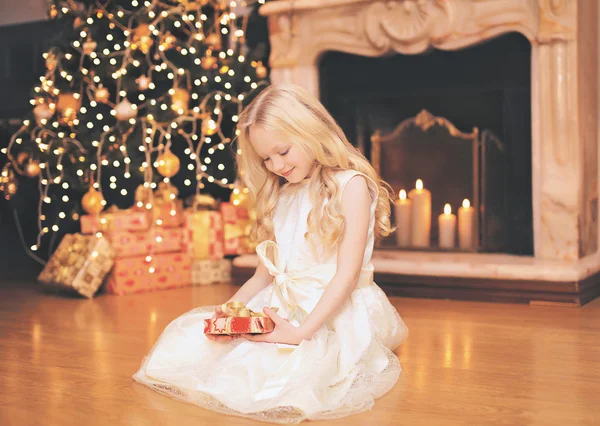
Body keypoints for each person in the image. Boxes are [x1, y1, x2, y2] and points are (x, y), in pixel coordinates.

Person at [133, 83, 408, 422]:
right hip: (282, 299)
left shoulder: (349, 185)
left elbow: (347, 275)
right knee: (196, 346)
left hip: (332, 306)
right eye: (265, 158)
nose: (275, 165)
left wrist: (299, 333)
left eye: (283, 151)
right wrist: (227, 312)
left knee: (284, 370)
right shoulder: (282, 193)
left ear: (309, 132)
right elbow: (263, 275)